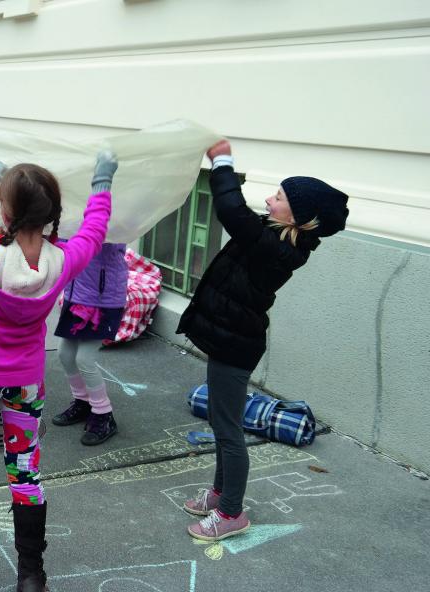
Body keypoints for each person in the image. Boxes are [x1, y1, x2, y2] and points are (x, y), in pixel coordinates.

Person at [0, 152, 118, 592]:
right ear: (52, 213)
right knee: (25, 471)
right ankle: (32, 574)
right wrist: (102, 182)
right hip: (24, 383)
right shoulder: (65, 261)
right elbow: (94, 230)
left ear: (5, 211)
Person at [177, 138, 349, 542]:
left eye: (280, 196)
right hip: (228, 339)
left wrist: (222, 161)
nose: (270, 199)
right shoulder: (276, 233)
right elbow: (244, 217)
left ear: (301, 216)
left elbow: (231, 210)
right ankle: (220, 494)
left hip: (236, 346)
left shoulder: (278, 248)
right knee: (222, 424)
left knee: (229, 431)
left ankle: (232, 513)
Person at [51, 241, 128, 445]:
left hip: (103, 301)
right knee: (65, 355)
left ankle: (104, 415)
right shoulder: (75, 217)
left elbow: (94, 243)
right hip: (76, 296)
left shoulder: (112, 221)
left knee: (84, 359)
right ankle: (83, 402)